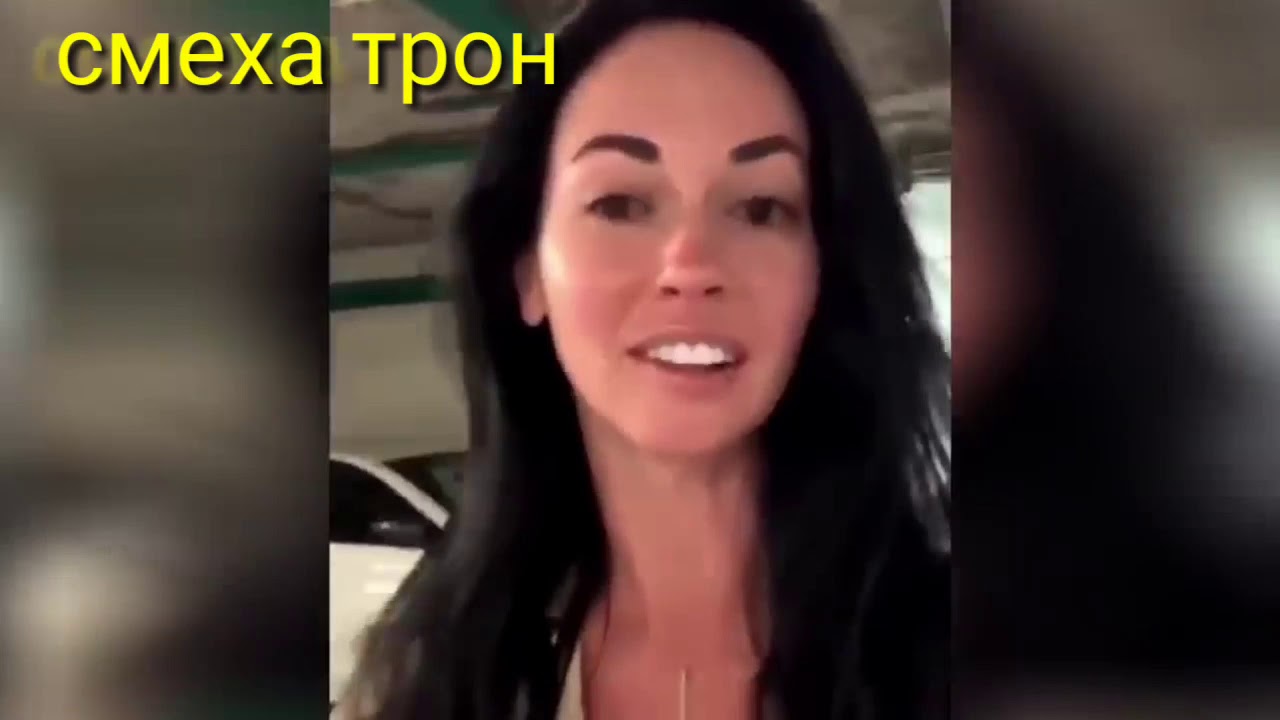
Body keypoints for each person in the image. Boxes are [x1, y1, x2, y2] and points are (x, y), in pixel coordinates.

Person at [338, 1, 950, 718]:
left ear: (824, 274)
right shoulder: (427, 682)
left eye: (760, 208)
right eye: (621, 204)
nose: (689, 265)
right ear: (528, 271)